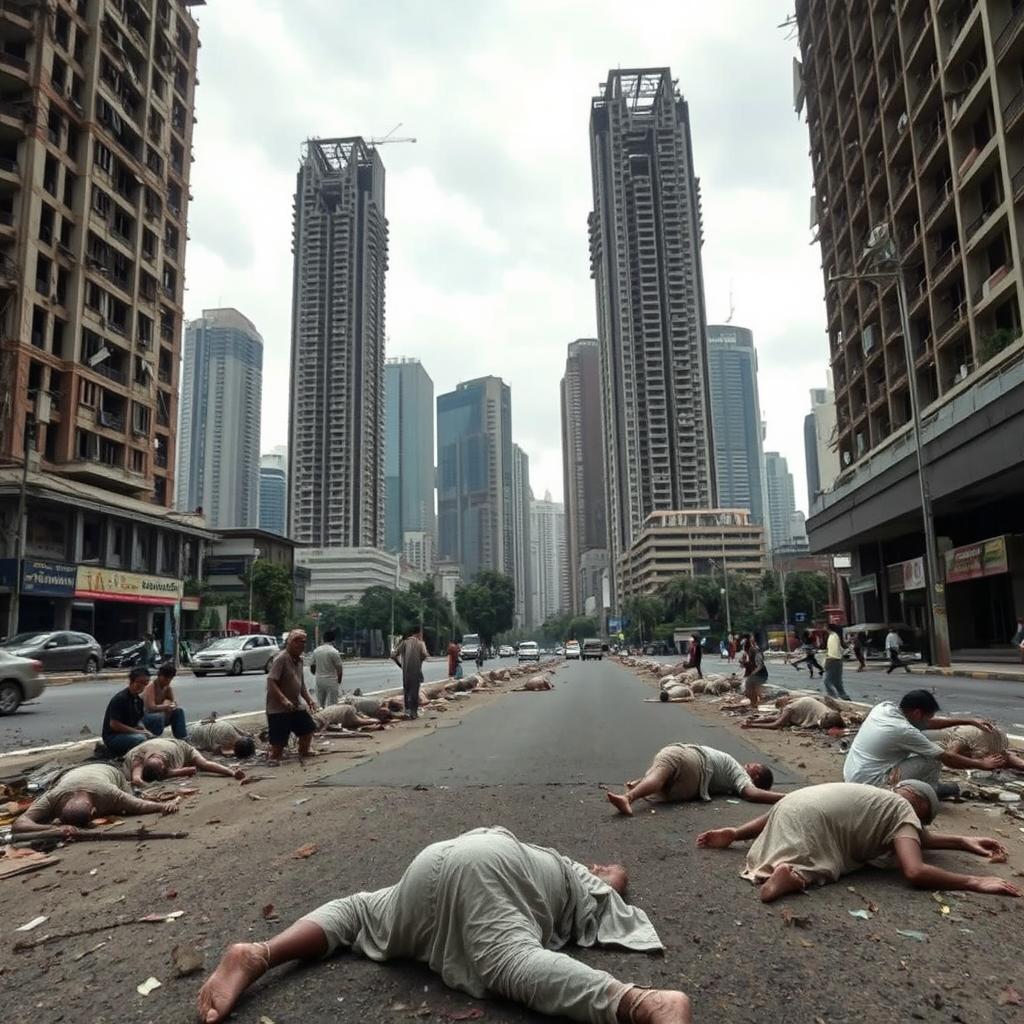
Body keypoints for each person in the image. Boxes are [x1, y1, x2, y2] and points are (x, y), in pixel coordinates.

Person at [196, 826, 688, 1024]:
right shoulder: (577, 878)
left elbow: (610, 877)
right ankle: (641, 1003)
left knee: (357, 911)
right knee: (506, 964)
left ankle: (260, 952)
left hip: (437, 862)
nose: (604, 872)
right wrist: (613, 877)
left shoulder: (559, 867)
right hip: (485, 866)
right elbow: (617, 879)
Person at [696, 780, 1021, 903]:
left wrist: (964, 842)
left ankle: (760, 852)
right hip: (814, 826)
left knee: (801, 834)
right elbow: (915, 871)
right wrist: (976, 881)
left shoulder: (871, 795)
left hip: (790, 806)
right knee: (823, 863)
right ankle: (790, 878)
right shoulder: (905, 812)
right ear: (922, 807)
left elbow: (921, 839)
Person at [843, 690, 1005, 797]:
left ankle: (922, 786)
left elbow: (927, 724)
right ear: (917, 712)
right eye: (928, 716)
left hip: (854, 773)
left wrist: (969, 721)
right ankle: (929, 792)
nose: (929, 720)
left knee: (924, 746)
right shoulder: (903, 730)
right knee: (935, 754)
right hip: (870, 784)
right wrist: (981, 764)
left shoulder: (884, 708)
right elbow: (947, 758)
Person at [606, 743, 781, 815]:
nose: (747, 764)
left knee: (663, 766)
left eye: (752, 766)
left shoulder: (739, 773)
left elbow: (751, 793)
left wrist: (787, 797)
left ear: (755, 775)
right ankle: (640, 784)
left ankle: (628, 798)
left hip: (694, 759)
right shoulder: (731, 784)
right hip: (690, 788)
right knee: (661, 777)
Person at [13, 763, 180, 835]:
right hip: (71, 774)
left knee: (131, 796)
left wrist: (162, 806)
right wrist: (51, 830)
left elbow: (138, 805)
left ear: (94, 811)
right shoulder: (55, 794)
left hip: (110, 772)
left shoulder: (109, 793)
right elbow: (19, 824)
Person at [265, 629, 318, 762]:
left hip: (295, 706)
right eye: (297, 641)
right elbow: (271, 681)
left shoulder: (299, 661)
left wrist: (309, 700)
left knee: (308, 729)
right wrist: (283, 700)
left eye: (303, 642)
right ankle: (275, 758)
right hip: (278, 709)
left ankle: (304, 751)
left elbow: (301, 685)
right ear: (289, 642)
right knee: (278, 743)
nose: (301, 645)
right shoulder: (281, 658)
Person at [123, 737, 246, 785]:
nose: (160, 759)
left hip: (180, 746)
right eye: (161, 764)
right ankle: (232, 772)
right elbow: (137, 779)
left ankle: (231, 772)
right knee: (202, 764)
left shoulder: (142, 755)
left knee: (203, 763)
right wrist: (171, 774)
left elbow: (193, 769)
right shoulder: (138, 758)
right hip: (161, 744)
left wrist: (169, 773)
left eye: (159, 760)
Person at [102, 666, 155, 755]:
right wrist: (139, 732)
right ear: (132, 681)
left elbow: (139, 720)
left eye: (145, 684)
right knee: (140, 739)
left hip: (129, 732)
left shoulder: (138, 700)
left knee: (156, 721)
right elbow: (114, 724)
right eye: (140, 683)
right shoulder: (120, 698)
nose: (142, 687)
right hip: (113, 737)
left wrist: (144, 729)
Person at [935, 723, 1024, 771]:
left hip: (982, 744)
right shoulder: (965, 737)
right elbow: (949, 755)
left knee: (998, 760)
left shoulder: (998, 740)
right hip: (951, 744)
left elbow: (1004, 755)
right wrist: (980, 763)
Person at [740, 695, 844, 732]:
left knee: (825, 724)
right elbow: (776, 717)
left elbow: (777, 724)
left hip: (826, 718)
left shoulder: (789, 708)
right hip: (829, 713)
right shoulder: (795, 702)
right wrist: (755, 720)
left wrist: (753, 725)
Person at [142, 662, 187, 739]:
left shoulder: (167, 688)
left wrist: (172, 706)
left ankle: (182, 738)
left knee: (179, 711)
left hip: (161, 715)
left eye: (170, 679)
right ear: (160, 676)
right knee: (159, 716)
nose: (168, 681)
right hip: (147, 717)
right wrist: (165, 706)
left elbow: (174, 702)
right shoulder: (151, 687)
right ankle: (153, 738)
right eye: (166, 678)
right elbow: (150, 707)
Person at [393, 628, 428, 720]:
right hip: (416, 670)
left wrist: (400, 665)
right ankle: (414, 712)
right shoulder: (421, 643)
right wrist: (420, 660)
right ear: (418, 634)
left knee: (407, 691)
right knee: (414, 692)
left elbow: (393, 655)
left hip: (405, 671)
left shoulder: (404, 643)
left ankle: (407, 711)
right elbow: (425, 655)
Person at [188, 719, 257, 759]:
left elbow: (245, 734)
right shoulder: (224, 742)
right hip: (192, 734)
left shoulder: (230, 728)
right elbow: (215, 749)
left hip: (198, 726)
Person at [310, 629, 344, 708]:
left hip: (319, 680)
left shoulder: (316, 651)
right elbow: (339, 669)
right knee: (332, 705)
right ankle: (330, 720)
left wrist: (315, 673)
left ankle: (320, 719)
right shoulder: (334, 652)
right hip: (331, 680)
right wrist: (339, 681)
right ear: (333, 640)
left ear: (323, 639)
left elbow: (312, 666)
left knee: (320, 704)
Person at [822, 623, 851, 700]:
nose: (823, 628)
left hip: (833, 660)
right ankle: (844, 696)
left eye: (825, 626)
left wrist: (828, 660)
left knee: (827, 681)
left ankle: (833, 697)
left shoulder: (833, 636)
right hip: (837, 660)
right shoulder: (834, 636)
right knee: (837, 681)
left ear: (828, 628)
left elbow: (833, 651)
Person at [313, 702, 387, 731]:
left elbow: (327, 722)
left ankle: (376, 721)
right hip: (343, 708)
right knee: (360, 719)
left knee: (360, 722)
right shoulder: (319, 715)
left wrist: (323, 729)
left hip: (345, 712)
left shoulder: (320, 718)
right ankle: (373, 720)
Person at [742, 635, 768, 712]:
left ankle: (755, 703)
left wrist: (753, 673)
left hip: (761, 674)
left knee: (750, 685)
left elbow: (760, 665)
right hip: (757, 673)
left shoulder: (756, 651)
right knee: (750, 688)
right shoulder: (751, 650)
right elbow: (748, 663)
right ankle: (754, 703)